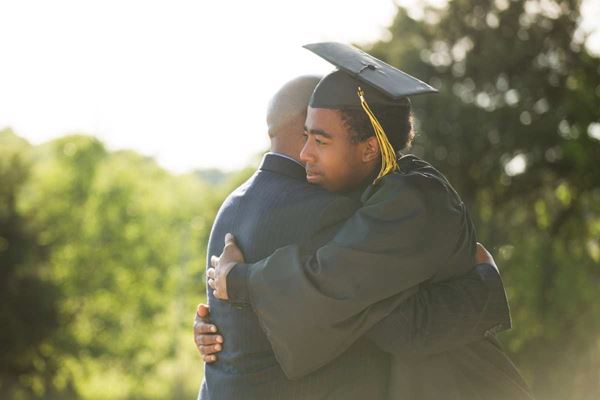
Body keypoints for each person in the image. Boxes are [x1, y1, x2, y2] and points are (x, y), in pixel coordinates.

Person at [207, 43, 533, 399]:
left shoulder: (412, 200)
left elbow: (363, 301)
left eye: (319, 140)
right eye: (306, 137)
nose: (305, 154)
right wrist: (221, 321)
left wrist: (238, 280)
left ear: (368, 149)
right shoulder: (379, 195)